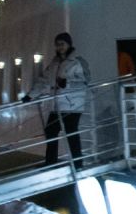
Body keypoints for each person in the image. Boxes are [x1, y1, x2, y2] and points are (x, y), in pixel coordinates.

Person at [29, 31, 90, 169]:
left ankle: (77, 163)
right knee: (50, 130)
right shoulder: (54, 63)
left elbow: (86, 81)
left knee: (71, 132)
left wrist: (66, 82)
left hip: (73, 105)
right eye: (57, 45)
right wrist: (30, 95)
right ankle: (50, 162)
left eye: (62, 44)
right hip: (57, 105)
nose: (59, 47)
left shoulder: (79, 61)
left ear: (69, 44)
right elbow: (43, 81)